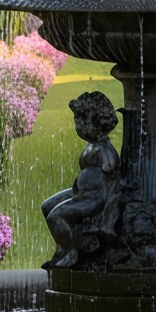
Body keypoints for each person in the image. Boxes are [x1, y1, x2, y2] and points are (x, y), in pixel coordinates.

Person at [42, 92, 121, 268]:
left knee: (56, 216)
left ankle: (72, 252)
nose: (77, 127)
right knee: (47, 206)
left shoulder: (105, 150)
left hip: (96, 198)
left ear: (94, 122)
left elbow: (111, 175)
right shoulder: (93, 145)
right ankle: (62, 248)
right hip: (83, 193)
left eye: (80, 122)